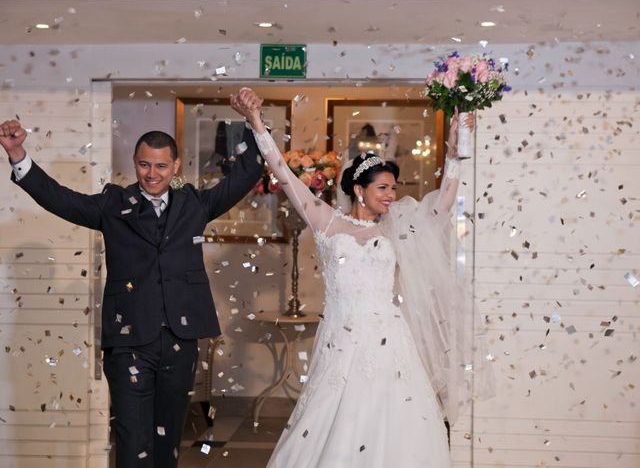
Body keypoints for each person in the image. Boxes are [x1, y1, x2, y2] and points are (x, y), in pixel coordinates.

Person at [231, 88, 492, 468]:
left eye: (393, 188)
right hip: (341, 340)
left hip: (390, 341)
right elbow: (285, 176)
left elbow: (443, 204)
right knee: (332, 422)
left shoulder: (395, 229)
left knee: (396, 423)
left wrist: (453, 156)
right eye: (383, 188)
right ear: (359, 189)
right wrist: (257, 124)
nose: (391, 195)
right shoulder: (327, 222)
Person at [0, 119, 264, 467]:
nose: (151, 174)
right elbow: (61, 199)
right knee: (132, 438)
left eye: (160, 166)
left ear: (175, 166)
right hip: (128, 343)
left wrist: (255, 123)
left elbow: (245, 175)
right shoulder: (113, 205)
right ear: (134, 162)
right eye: (144, 164)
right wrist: (18, 154)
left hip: (180, 340)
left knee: (168, 438)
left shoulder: (195, 205)